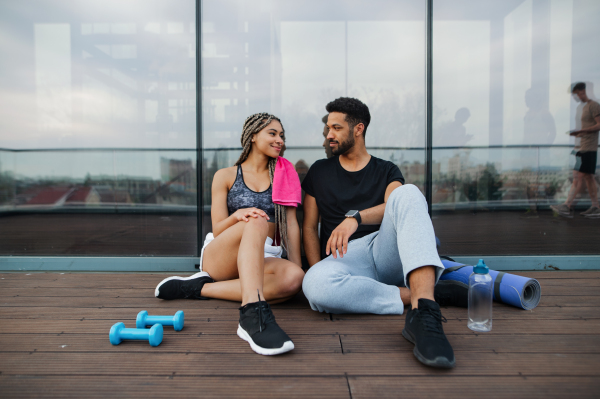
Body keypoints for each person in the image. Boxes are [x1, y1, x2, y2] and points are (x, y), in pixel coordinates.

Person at [301, 97, 467, 369]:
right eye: (328, 128)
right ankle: (426, 292)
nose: (329, 134)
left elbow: (394, 206)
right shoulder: (319, 171)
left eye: (336, 127)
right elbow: (309, 226)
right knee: (315, 286)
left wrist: (355, 217)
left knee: (408, 193)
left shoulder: (386, 169)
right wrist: (316, 267)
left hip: (382, 249)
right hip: (342, 259)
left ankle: (423, 313)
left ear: (358, 129)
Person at [154, 113, 305, 356]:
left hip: (263, 255)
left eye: (282, 136)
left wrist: (298, 265)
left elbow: (291, 224)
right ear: (253, 136)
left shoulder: (284, 175)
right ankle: (252, 313)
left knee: (293, 279)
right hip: (222, 255)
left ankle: (197, 288)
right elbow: (218, 229)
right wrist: (238, 216)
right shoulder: (225, 176)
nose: (280, 140)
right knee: (256, 220)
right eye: (273, 134)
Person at [551, 82, 600, 218]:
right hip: (581, 147)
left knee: (584, 177)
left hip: (589, 147)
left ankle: (568, 206)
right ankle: (594, 207)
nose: (576, 97)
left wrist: (582, 131)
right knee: (582, 177)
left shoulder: (594, 105)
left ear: (584, 91)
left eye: (577, 93)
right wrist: (577, 140)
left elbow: (599, 125)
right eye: (574, 95)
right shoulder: (581, 108)